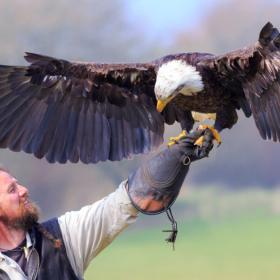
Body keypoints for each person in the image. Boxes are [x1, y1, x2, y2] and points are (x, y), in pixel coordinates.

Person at [0, 128, 214, 280]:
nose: (23, 190)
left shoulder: (61, 238)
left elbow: (119, 206)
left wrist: (174, 158)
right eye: (12, 190)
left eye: (17, 184)